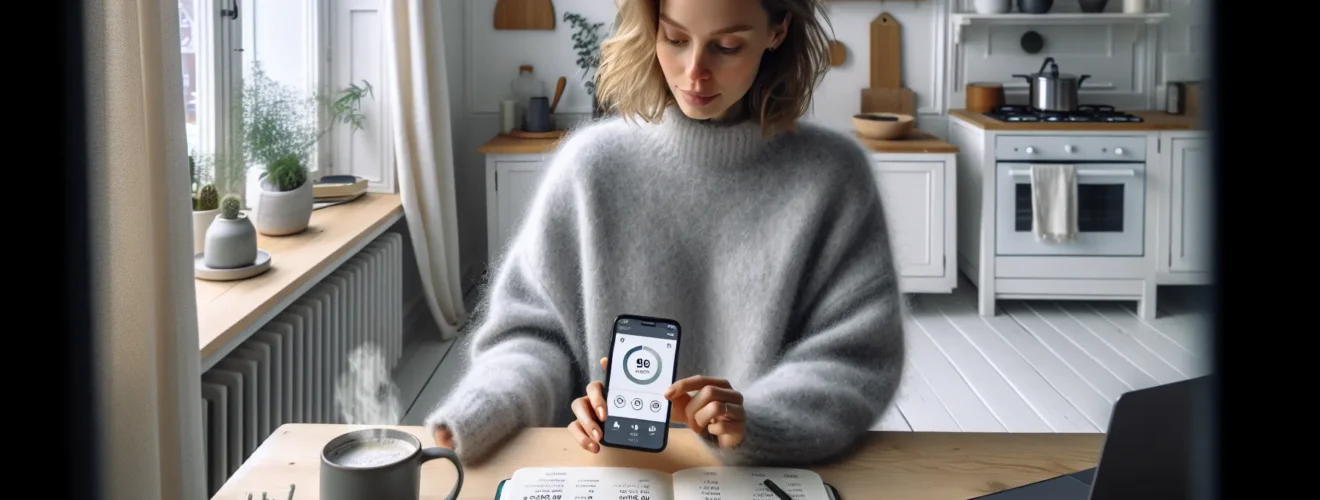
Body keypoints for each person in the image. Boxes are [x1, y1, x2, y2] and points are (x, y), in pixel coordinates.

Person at [425, 0, 905, 466]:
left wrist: (753, 420)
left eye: (728, 46)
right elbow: (532, 333)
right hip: (610, 469)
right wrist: (487, 405)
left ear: (777, 30)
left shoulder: (833, 177)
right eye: (675, 38)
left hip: (769, 478)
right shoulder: (589, 166)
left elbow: (856, 357)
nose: (694, 71)